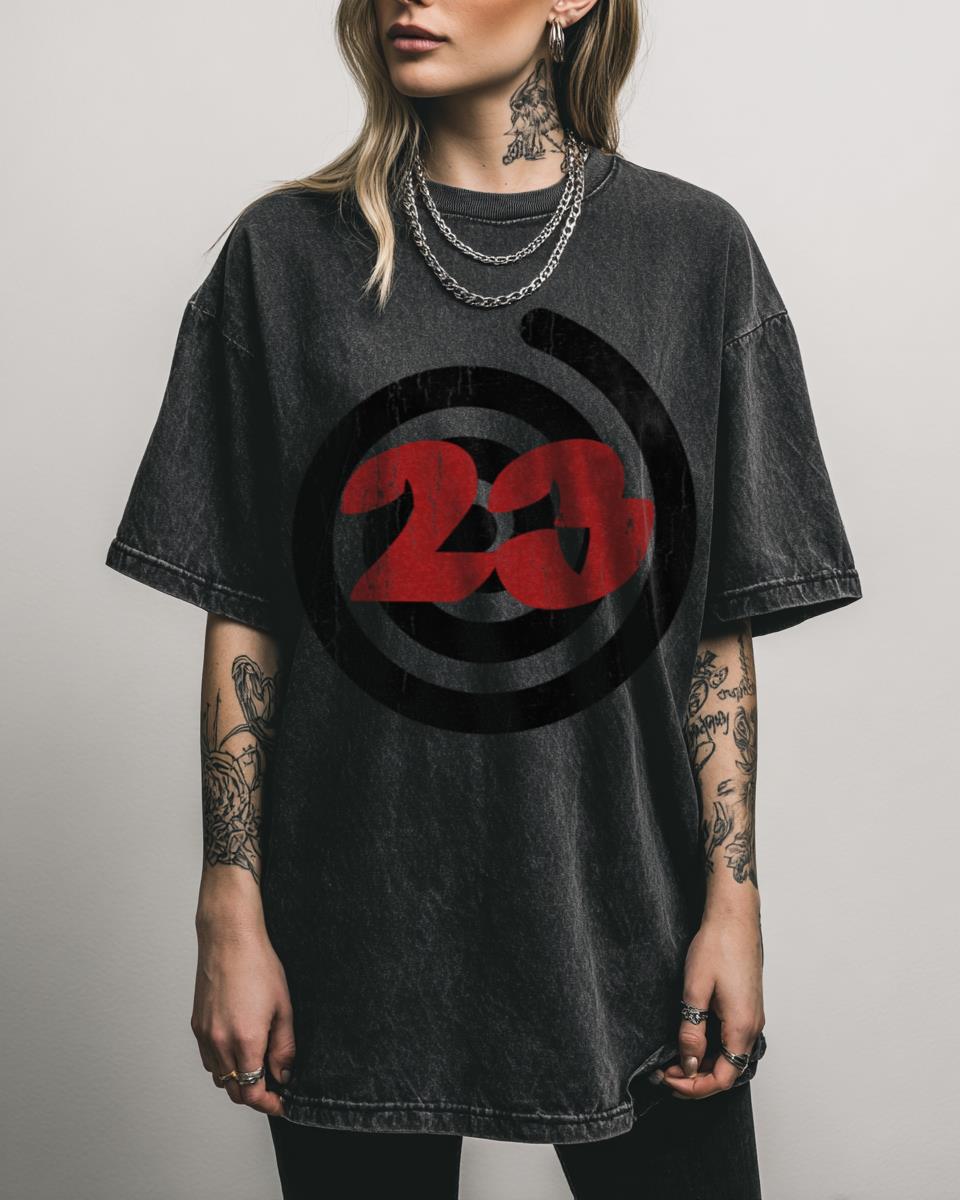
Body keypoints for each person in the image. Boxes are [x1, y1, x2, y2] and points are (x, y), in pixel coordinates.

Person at [104, 1, 864, 1196]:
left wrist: (734, 902)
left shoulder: (693, 253)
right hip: (350, 931)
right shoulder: (283, 256)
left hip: (631, 924)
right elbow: (245, 610)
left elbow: (714, 632)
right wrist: (229, 905)